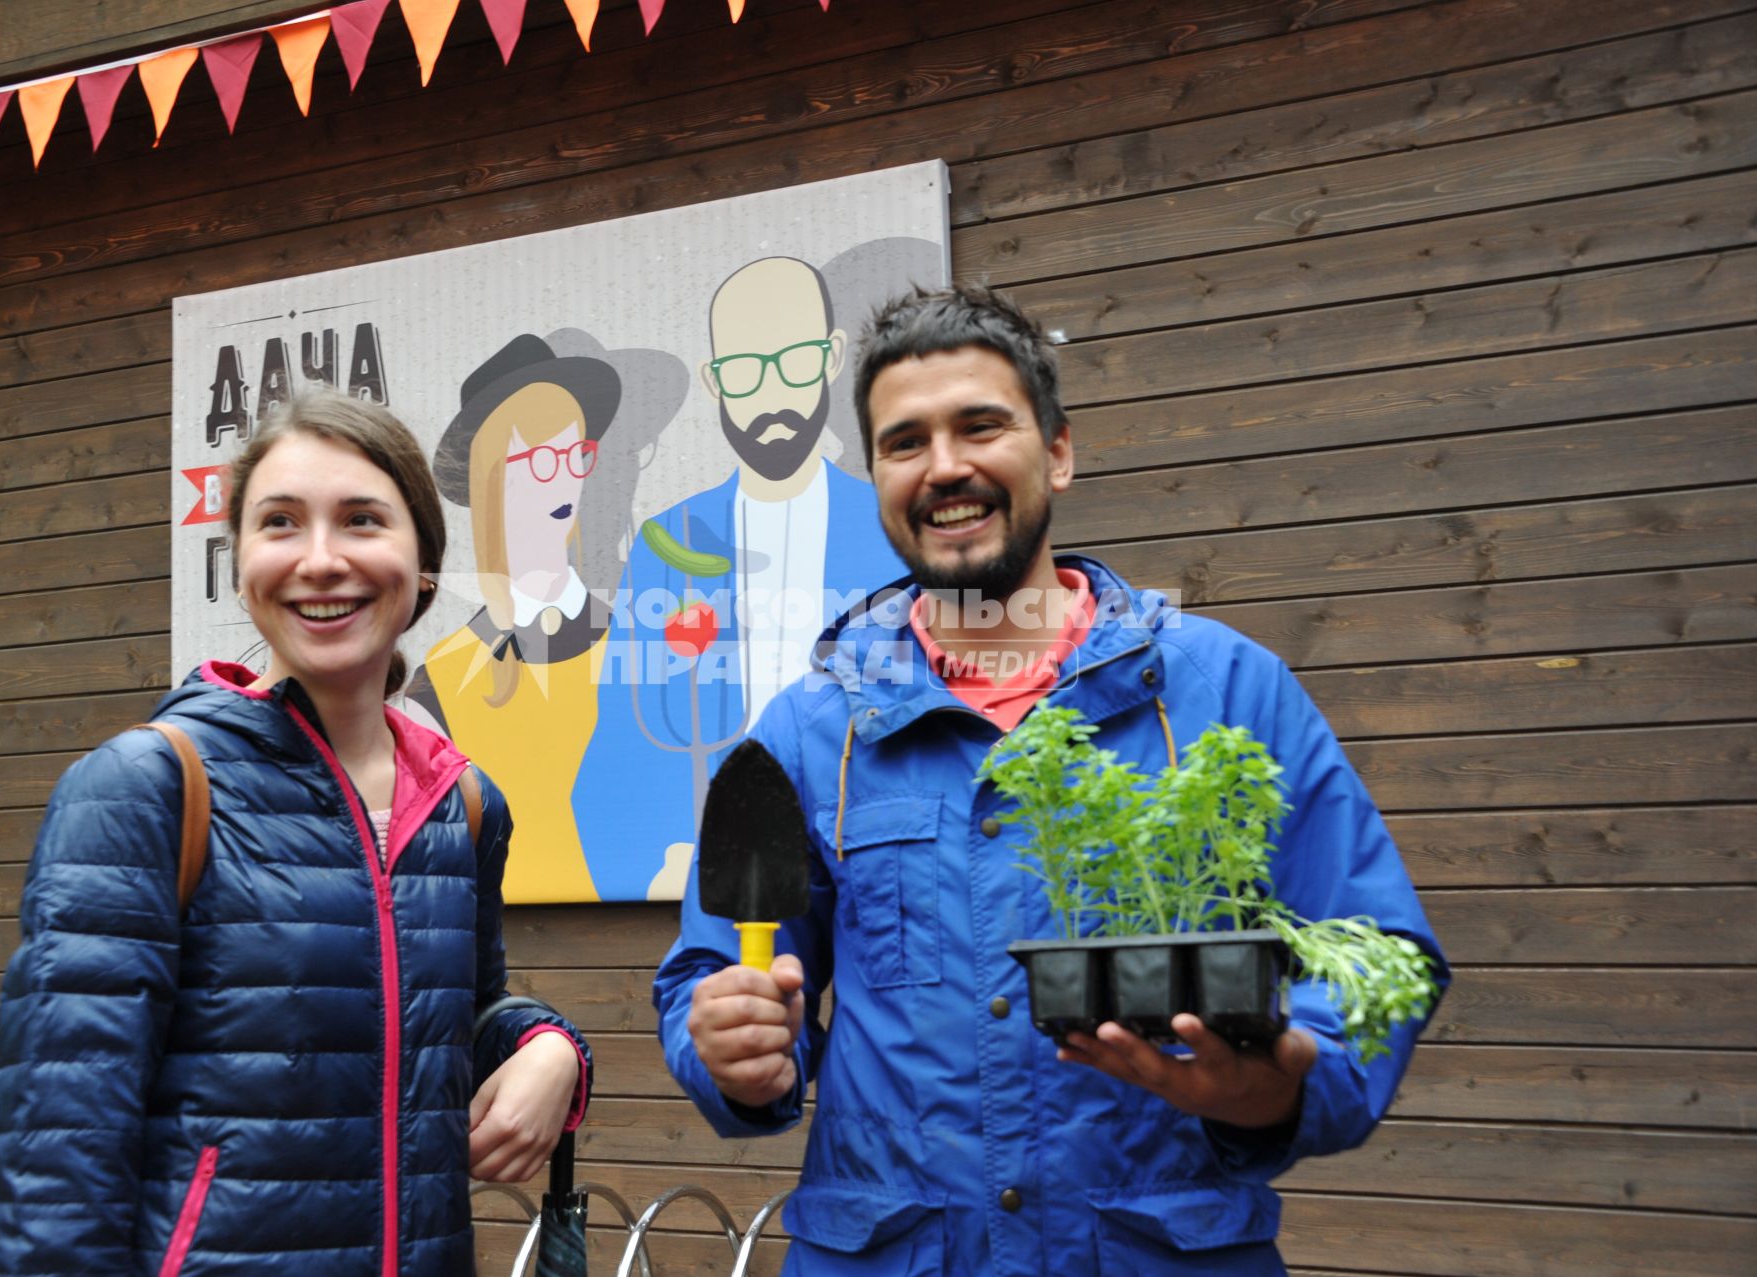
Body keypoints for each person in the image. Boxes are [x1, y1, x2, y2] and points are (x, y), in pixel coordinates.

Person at [653, 286, 1448, 1274]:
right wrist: (727, 1052)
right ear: (880, 478)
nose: (946, 465)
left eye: (981, 425)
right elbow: (708, 976)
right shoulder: (812, 731)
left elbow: (1378, 948)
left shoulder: (1225, 688)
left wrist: (1283, 1082)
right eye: (906, 442)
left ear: (1058, 452)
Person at [0, 389, 591, 1277]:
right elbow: (52, 1163)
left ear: (423, 563)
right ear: (244, 561)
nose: (322, 558)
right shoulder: (147, 786)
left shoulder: (464, 803)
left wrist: (549, 1048)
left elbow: (460, 1014)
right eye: (281, 523)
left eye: (362, 520)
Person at [576, 256, 905, 903]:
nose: (772, 395)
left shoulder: (889, 528)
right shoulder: (668, 546)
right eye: (746, 371)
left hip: (875, 868)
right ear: (714, 380)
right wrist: (655, 859)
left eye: (795, 362)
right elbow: (617, 748)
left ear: (833, 358)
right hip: (721, 878)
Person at [409, 333, 623, 903]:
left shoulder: (637, 637)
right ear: (492, 476)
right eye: (541, 458)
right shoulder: (442, 680)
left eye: (576, 454)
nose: (566, 478)